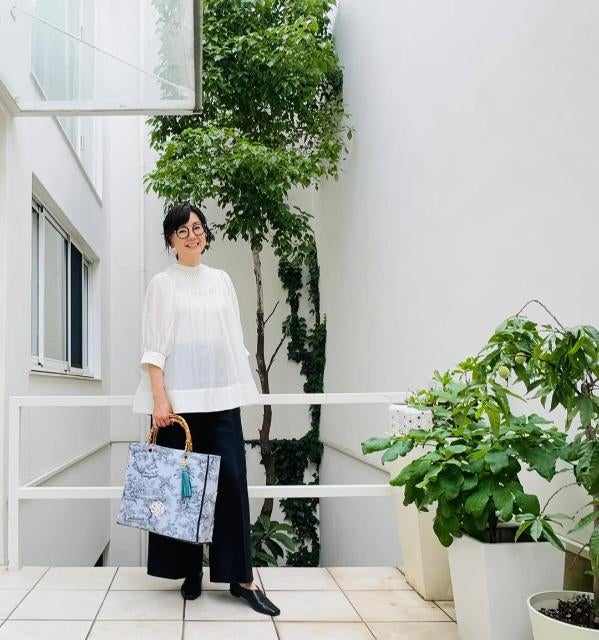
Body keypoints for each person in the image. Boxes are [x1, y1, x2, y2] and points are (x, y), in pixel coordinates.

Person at [132, 202, 280, 616]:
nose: (192, 235)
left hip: (219, 399)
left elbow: (232, 339)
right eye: (182, 230)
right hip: (177, 405)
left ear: (206, 234)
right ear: (171, 240)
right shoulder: (163, 284)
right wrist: (159, 399)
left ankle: (241, 579)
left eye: (197, 227)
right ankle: (190, 570)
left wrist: (237, 387)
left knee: (231, 484)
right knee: (183, 490)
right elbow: (153, 346)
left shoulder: (221, 281)